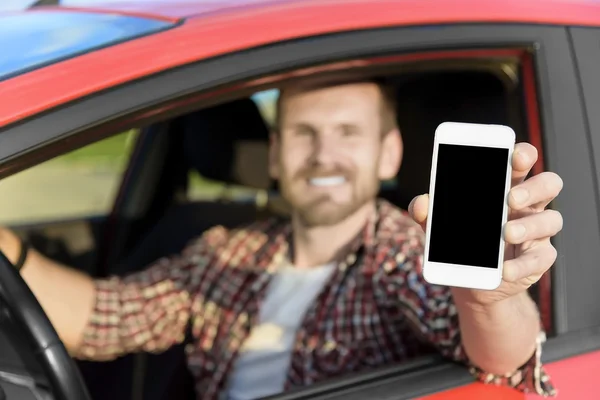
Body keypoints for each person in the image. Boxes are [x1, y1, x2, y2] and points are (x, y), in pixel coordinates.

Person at [0, 78, 562, 400]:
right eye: (303, 133)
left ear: (389, 152)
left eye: (347, 133)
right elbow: (102, 318)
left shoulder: (403, 253)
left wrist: (487, 297)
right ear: (275, 154)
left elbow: (500, 355)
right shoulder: (226, 251)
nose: (323, 154)